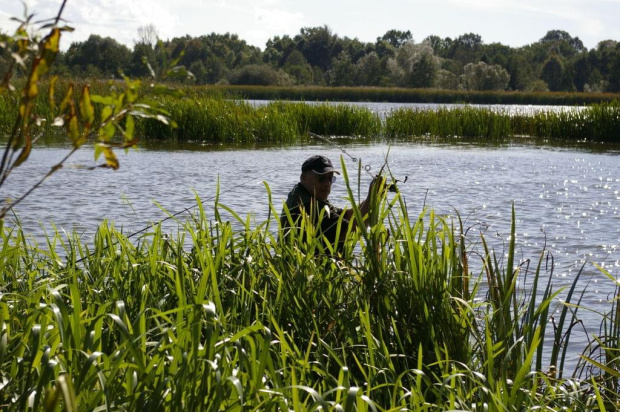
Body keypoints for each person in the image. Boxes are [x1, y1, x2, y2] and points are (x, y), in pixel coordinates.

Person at [280, 154, 385, 255]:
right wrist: (372, 197)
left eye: (330, 179)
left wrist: (374, 195)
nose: (327, 184)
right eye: (321, 178)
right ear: (304, 178)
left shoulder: (305, 195)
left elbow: (347, 215)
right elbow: (353, 231)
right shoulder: (307, 206)